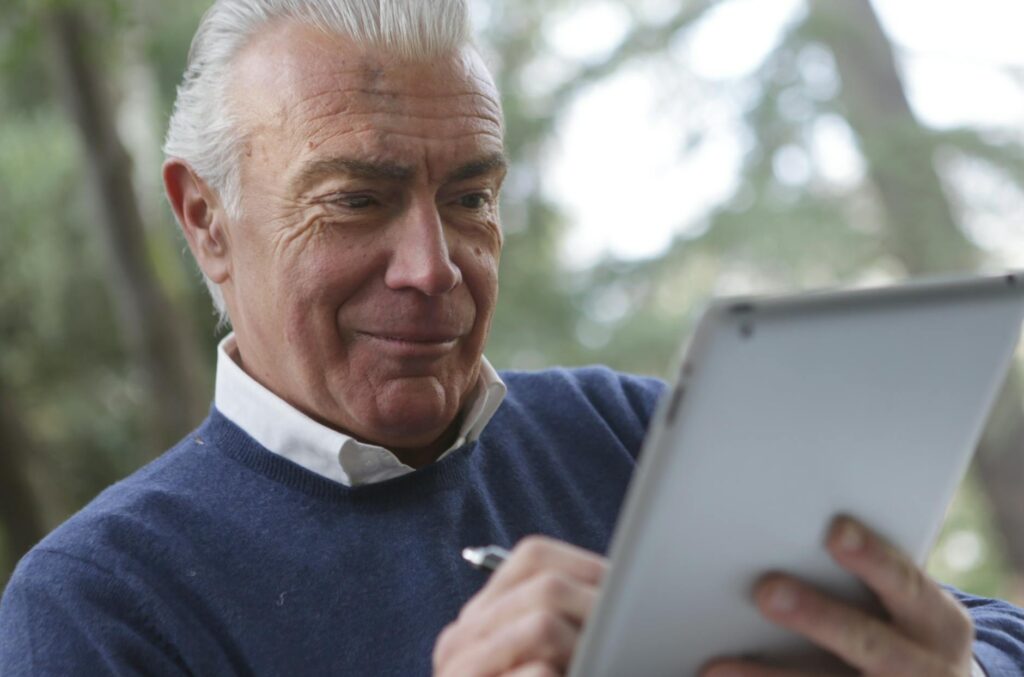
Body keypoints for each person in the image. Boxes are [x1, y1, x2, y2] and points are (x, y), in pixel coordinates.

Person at [1, 1, 1023, 675]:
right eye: (358, 198)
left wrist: (952, 664)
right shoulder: (100, 600)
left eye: (470, 195)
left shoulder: (627, 431)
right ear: (206, 219)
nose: (432, 264)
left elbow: (986, 628)